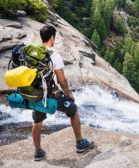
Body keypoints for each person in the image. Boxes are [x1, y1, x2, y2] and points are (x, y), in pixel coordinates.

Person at [32, 25, 94, 161]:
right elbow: (62, 80)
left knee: (37, 122)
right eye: (55, 38)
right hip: (49, 94)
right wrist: (69, 94)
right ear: (52, 38)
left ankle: (38, 152)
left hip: (35, 94)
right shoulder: (54, 56)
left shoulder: (33, 53)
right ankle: (80, 143)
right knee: (73, 109)